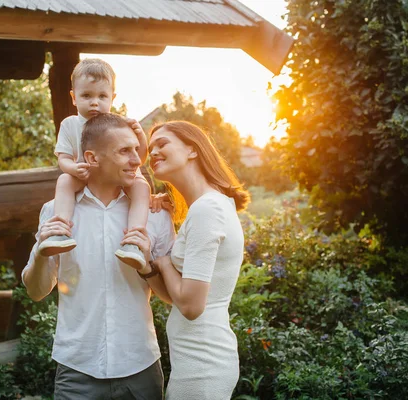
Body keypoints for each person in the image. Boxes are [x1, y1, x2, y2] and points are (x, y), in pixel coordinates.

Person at [22, 113, 176, 400]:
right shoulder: (56, 212)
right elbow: (35, 291)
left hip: (140, 367)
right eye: (124, 151)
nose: (137, 160)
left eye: (135, 149)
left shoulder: (154, 216)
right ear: (92, 157)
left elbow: (170, 296)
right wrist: (42, 254)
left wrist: (148, 266)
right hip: (77, 369)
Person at [126, 121, 250, 399]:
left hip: (202, 364)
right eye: (151, 145)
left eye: (162, 143)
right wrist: (149, 266)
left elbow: (192, 306)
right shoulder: (209, 205)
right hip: (195, 359)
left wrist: (165, 261)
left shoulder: (207, 209)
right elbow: (178, 298)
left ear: (192, 150)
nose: (152, 151)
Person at [38, 58, 152, 271]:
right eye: (86, 95)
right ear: (73, 97)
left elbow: (139, 159)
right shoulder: (70, 124)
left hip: (116, 176)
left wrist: (140, 136)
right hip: (84, 175)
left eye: (102, 96)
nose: (94, 102)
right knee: (64, 181)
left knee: (141, 186)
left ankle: (134, 240)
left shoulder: (118, 125)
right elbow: (63, 158)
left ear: (113, 98)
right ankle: (60, 230)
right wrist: (73, 168)